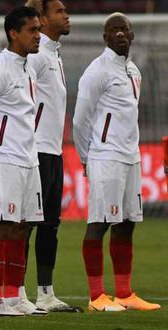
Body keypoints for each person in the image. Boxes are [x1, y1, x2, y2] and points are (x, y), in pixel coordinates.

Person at [73, 12, 161, 312]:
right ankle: (97, 297)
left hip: (131, 157)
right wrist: (87, 157)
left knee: (126, 224)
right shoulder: (96, 71)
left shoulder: (134, 70)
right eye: (114, 30)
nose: (120, 34)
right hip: (105, 156)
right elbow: (80, 119)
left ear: (132, 35)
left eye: (124, 29)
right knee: (99, 223)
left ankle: (124, 293)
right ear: (105, 37)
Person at [0, 6, 47, 317]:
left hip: (29, 159)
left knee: (23, 228)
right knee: (1, 227)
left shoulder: (28, 68)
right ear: (14, 33)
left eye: (39, 29)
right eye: (32, 30)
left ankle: (15, 296)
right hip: (5, 160)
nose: (38, 35)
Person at [23, 0, 80, 312]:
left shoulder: (53, 54)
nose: (66, 15)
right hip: (34, 150)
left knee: (50, 225)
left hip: (53, 151)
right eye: (59, 11)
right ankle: (15, 294)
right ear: (42, 18)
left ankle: (45, 293)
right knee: (27, 225)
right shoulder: (35, 56)